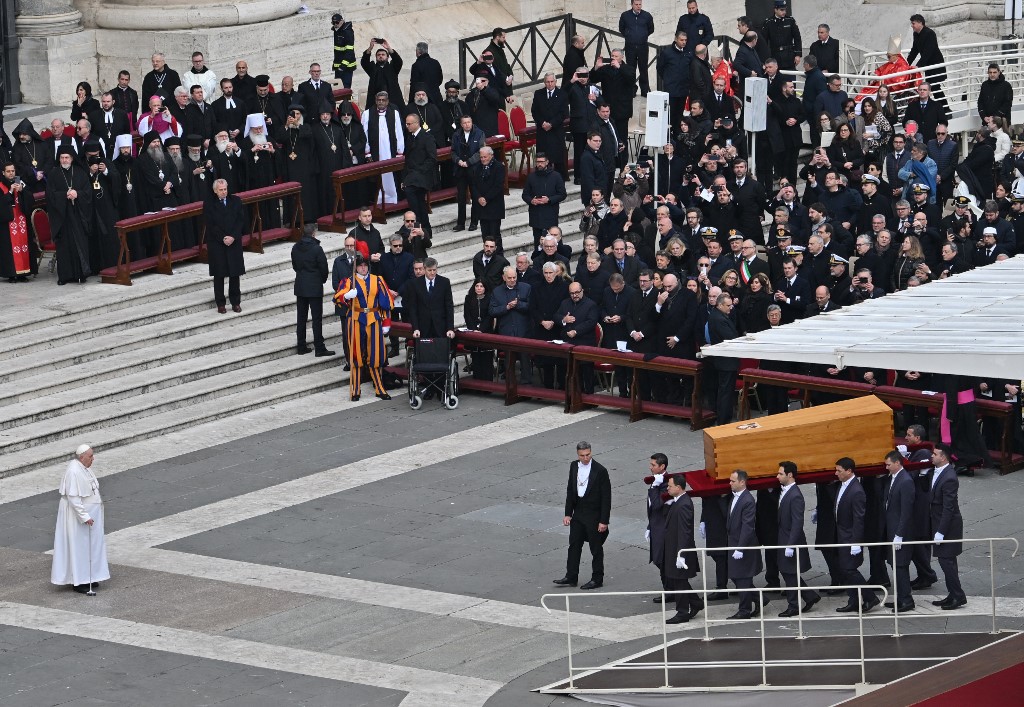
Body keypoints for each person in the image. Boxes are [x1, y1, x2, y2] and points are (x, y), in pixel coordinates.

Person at [51, 444, 110, 593]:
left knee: (90, 548)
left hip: (90, 517)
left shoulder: (84, 468)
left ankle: (89, 576)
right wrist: (84, 516)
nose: (93, 458)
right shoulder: (73, 471)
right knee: (80, 548)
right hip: (78, 518)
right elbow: (73, 498)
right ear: (82, 457)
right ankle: (79, 581)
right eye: (90, 456)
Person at [554, 441, 612, 590]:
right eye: (582, 455)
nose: (586, 458)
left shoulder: (600, 470)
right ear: (577, 455)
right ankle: (571, 576)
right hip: (578, 513)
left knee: (596, 548)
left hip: (594, 515)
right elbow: (570, 490)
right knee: (574, 545)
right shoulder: (574, 466)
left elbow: (606, 497)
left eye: (588, 455)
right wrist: (568, 513)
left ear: (591, 452)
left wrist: (604, 521)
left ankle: (597, 578)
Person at [336, 255, 394, 401]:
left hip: (374, 319)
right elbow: (337, 297)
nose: (363, 267)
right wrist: (347, 296)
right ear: (355, 267)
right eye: (360, 265)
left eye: (365, 265)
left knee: (375, 355)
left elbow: (386, 302)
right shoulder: (349, 281)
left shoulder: (377, 279)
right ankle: (355, 390)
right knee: (355, 354)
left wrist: (386, 323)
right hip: (356, 319)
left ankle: (379, 388)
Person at [833, 457, 881, 613]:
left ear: (849, 471)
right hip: (842, 536)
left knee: (849, 570)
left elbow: (859, 520)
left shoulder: (856, 491)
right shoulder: (844, 485)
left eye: (839, 471)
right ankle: (853, 600)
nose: (836, 473)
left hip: (850, 537)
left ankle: (870, 597)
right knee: (844, 569)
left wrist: (856, 542)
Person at [775, 462, 821, 617]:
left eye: (780, 474)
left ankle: (793, 606)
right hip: (784, 538)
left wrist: (790, 545)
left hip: (790, 540)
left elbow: (797, 522)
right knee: (789, 572)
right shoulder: (787, 492)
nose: (777, 476)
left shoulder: (795, 495)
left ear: (790, 475)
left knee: (789, 572)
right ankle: (810, 596)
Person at [927, 443, 967, 610]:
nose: (932, 456)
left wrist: (940, 532)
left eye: (934, 454)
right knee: (948, 561)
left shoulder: (949, 477)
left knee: (946, 561)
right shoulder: (937, 472)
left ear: (943, 457)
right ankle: (953, 594)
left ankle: (958, 595)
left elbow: (948, 508)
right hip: (940, 523)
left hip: (948, 527)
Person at [46, 145, 93, 285]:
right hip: (62, 217)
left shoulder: (80, 172)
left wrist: (77, 194)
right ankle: (65, 276)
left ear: (72, 158)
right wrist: (64, 195)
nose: (64, 160)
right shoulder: (54, 174)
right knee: (64, 247)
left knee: (79, 244)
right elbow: (50, 195)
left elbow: (88, 192)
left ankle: (81, 274)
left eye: (67, 157)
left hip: (78, 215)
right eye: (61, 157)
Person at [663, 474, 703, 623]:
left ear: (678, 488)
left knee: (679, 581)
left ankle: (682, 612)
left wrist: (681, 554)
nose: (667, 488)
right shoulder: (678, 501)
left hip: (679, 550)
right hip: (675, 548)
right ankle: (696, 603)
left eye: (670, 486)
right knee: (678, 580)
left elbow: (684, 531)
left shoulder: (684, 504)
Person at [291, 224, 335, 357]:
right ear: (314, 234)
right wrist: (320, 280)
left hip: (300, 285)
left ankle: (301, 345)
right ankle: (319, 348)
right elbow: (323, 268)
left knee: (301, 317)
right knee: (316, 319)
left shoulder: (295, 248)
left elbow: (295, 266)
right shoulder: (317, 249)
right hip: (314, 286)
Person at [725, 470, 763, 619]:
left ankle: (744, 611)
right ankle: (760, 599)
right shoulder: (735, 497)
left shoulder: (747, 500)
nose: (730, 483)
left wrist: (740, 548)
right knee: (735, 576)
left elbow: (747, 526)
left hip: (743, 546)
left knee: (743, 578)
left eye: (733, 481)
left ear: (742, 482)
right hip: (734, 543)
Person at [882, 451, 917, 612]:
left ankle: (906, 600)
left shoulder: (905, 481)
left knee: (901, 566)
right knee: (896, 566)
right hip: (892, 530)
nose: (886, 467)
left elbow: (907, 511)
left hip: (900, 533)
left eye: (888, 464)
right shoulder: (894, 478)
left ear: (898, 463)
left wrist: (899, 535)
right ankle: (900, 597)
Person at [204, 178, 245, 313]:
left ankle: (235, 302)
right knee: (219, 274)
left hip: (234, 241)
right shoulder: (209, 203)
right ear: (215, 191)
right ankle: (220, 303)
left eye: (225, 189)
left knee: (234, 273)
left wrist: (233, 236)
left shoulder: (236, 201)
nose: (224, 192)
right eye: (221, 190)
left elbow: (240, 220)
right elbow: (210, 224)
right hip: (217, 243)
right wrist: (222, 238)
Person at [362, 91, 405, 206]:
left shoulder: (394, 113)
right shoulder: (367, 114)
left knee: (390, 175)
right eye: (378, 100)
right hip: (375, 152)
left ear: (387, 101)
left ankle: (392, 198)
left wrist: (399, 152)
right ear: (375, 101)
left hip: (390, 151)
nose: (381, 102)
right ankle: (379, 200)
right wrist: (368, 153)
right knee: (377, 176)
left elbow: (399, 133)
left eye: (383, 100)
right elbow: (364, 135)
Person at [0, 162, 38, 282]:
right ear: (3, 173)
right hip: (8, 223)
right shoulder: (1, 186)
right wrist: (10, 192)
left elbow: (31, 199)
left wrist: (22, 191)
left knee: (24, 245)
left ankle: (24, 272)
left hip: (21, 220)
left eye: (13, 171)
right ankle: (12, 273)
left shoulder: (21, 183)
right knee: (10, 249)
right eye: (8, 171)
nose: (11, 173)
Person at [402, 113, 437, 238]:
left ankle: (420, 227)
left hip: (422, 176)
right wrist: (404, 178)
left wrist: (419, 171)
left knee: (415, 199)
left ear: (417, 123)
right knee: (419, 204)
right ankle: (425, 230)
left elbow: (432, 158)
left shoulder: (427, 137)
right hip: (412, 176)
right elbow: (407, 160)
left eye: (409, 124)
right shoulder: (410, 137)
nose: (407, 126)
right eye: (406, 124)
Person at [407, 256, 455, 340]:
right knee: (424, 352)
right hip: (423, 327)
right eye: (430, 270)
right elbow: (413, 308)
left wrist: (450, 328)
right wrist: (416, 328)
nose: (432, 273)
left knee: (440, 351)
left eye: (434, 270)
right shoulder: (415, 284)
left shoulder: (444, 282)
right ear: (424, 269)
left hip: (440, 326)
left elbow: (449, 306)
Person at [451, 114, 484, 231]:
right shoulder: (456, 135)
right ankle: (461, 223)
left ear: (472, 122)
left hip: (474, 169)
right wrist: (458, 161)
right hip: (460, 170)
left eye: (468, 122)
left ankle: (474, 222)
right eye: (464, 123)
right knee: (461, 197)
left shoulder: (479, 133)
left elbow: (480, 151)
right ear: (461, 124)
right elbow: (453, 152)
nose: (467, 125)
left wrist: (469, 162)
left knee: (475, 196)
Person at [471, 146, 506, 251]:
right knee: (485, 234)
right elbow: (473, 185)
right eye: (481, 157)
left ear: (491, 156)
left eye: (485, 157)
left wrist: (486, 198)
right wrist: (478, 198)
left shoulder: (499, 167)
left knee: (495, 234)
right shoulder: (477, 167)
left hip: (494, 206)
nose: (483, 159)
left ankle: (498, 256)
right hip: (482, 207)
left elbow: (498, 186)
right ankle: (487, 254)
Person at [619, 0, 655, 96]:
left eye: (640, 4)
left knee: (643, 68)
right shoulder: (625, 15)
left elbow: (651, 29)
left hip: (642, 46)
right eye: (636, 4)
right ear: (632, 4)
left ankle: (644, 91)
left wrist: (643, 35)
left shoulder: (647, 16)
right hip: (630, 46)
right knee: (631, 69)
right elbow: (621, 28)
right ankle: (632, 91)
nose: (638, 6)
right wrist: (628, 35)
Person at [907, 14, 946, 101]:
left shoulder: (929, 33)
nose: (912, 26)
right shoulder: (916, 34)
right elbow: (914, 50)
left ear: (920, 23)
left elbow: (928, 52)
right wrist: (906, 63)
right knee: (932, 87)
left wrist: (918, 66)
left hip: (936, 64)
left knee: (934, 86)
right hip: (929, 66)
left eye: (913, 23)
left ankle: (945, 109)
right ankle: (944, 108)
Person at [761, 0, 802, 70]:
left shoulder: (790, 20)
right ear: (775, 10)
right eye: (781, 10)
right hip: (775, 56)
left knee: (790, 78)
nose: (784, 12)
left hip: (789, 55)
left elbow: (797, 38)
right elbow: (763, 41)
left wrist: (798, 54)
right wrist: (766, 58)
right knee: (777, 79)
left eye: (785, 10)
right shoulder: (769, 22)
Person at [331, 12, 357, 87]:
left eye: (337, 22)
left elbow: (349, 52)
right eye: (333, 22)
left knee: (345, 88)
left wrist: (342, 66)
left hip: (346, 67)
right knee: (337, 87)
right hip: (338, 66)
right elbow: (338, 50)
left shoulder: (347, 32)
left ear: (342, 21)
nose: (335, 24)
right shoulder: (337, 31)